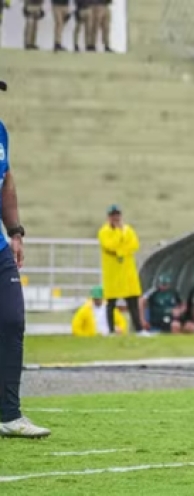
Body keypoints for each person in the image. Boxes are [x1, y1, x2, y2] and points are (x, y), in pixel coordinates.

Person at [0, 83, 51, 438]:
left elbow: (6, 181)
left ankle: (9, 414)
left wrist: (15, 231)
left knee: (12, 320)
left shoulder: (0, 131)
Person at [98, 205, 144, 335]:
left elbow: (134, 245)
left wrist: (120, 251)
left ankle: (139, 329)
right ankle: (111, 330)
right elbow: (109, 245)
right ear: (109, 217)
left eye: (117, 215)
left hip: (127, 270)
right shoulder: (104, 231)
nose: (116, 218)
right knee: (111, 302)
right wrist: (120, 238)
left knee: (132, 301)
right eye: (113, 215)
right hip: (112, 272)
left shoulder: (128, 230)